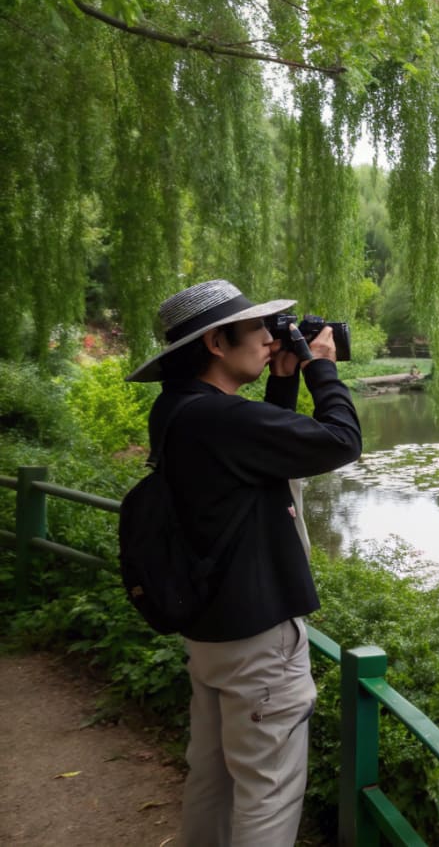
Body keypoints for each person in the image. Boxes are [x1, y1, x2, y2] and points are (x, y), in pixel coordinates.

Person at [126, 279, 362, 846]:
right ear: (215, 343)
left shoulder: (180, 410)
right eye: (258, 327)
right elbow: (340, 441)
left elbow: (257, 459)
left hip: (212, 632)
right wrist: (320, 368)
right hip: (259, 641)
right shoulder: (221, 421)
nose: (270, 336)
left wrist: (280, 383)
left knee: (214, 774)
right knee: (268, 787)